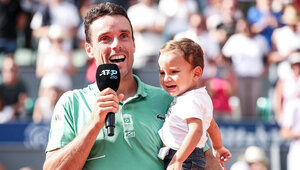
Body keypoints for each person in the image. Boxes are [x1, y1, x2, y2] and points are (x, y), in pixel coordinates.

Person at [43, 2, 221, 170]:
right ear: (89, 49)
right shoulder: (71, 102)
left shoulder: (169, 99)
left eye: (124, 36)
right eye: (105, 38)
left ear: (134, 44)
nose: (117, 45)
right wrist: (94, 124)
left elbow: (206, 158)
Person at [157, 38, 231, 170]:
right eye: (162, 73)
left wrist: (178, 160)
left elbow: (196, 131)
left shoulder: (189, 100)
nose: (166, 78)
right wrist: (218, 147)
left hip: (185, 158)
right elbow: (212, 126)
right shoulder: (199, 96)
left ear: (196, 73)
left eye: (174, 72)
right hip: (188, 157)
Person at [274, 51, 300, 170]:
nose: (297, 67)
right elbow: (278, 99)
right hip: (290, 113)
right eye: (295, 64)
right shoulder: (285, 80)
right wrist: (280, 116)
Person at [0, 55, 28, 121]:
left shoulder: (21, 86)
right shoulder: (1, 86)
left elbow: (23, 104)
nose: (12, 73)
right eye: (9, 70)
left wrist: (12, 110)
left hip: (18, 117)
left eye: (14, 70)